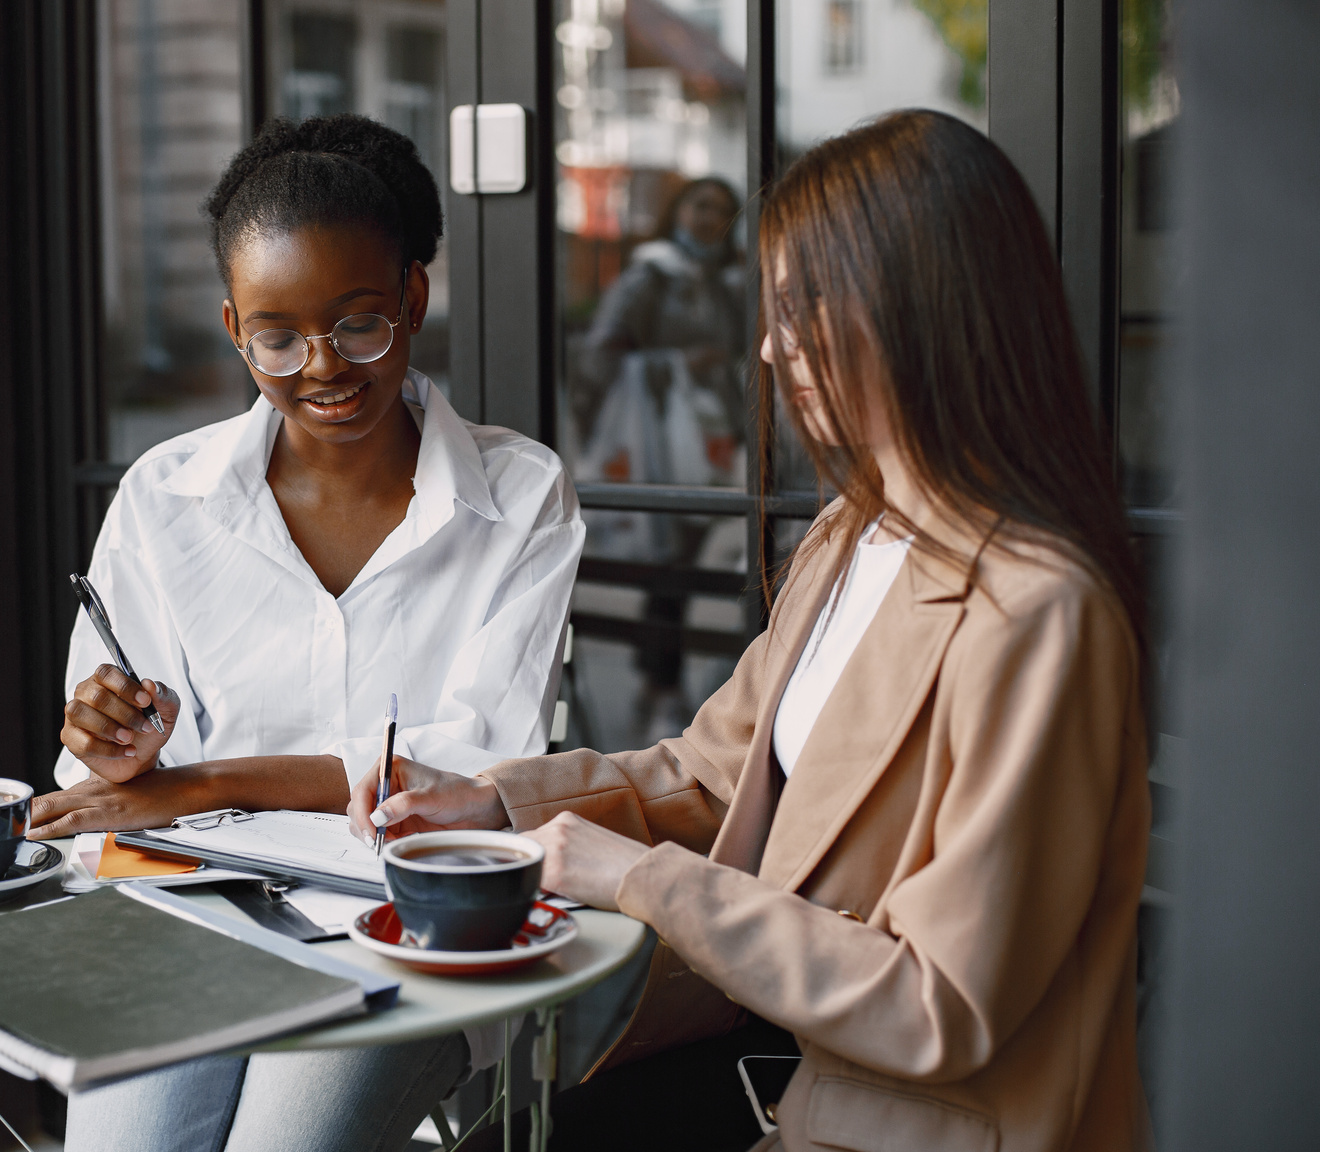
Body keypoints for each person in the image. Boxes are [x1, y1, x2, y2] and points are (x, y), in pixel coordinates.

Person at [354, 110, 1150, 1152]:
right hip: (789, 1070)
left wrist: (635, 877)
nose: (772, 345)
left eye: (803, 305)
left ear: (920, 309)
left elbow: (939, 1002)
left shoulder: (1041, 613)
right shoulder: (849, 536)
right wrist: (495, 802)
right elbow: (713, 771)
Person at [36, 114, 584, 1152]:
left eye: (359, 323)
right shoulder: (166, 498)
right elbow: (113, 774)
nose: (321, 366)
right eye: (277, 336)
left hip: (407, 938)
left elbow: (463, 776)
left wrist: (202, 782)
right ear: (237, 327)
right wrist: (114, 735)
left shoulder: (521, 496)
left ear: (414, 299)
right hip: (192, 920)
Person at [572, 177, 751, 742]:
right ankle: (661, 688)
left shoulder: (728, 282)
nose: (709, 219)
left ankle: (665, 686)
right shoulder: (651, 275)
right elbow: (598, 353)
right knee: (668, 569)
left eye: (722, 210)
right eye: (701, 205)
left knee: (682, 567)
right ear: (678, 209)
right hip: (658, 445)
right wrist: (677, 363)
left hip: (710, 441)